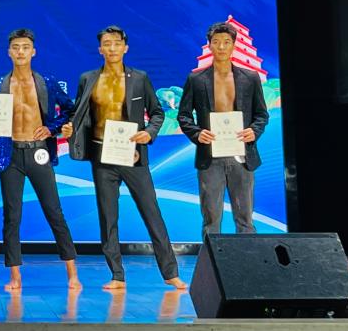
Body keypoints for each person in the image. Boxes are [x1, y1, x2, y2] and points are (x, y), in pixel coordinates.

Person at [63, 25, 186, 291]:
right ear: (100, 49)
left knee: (152, 213)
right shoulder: (88, 79)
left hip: (132, 155)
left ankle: (170, 273)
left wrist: (148, 133)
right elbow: (78, 114)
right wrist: (70, 128)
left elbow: (157, 113)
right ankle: (117, 275)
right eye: (107, 44)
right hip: (101, 155)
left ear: (125, 47)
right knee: (108, 218)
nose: (112, 48)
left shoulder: (139, 78)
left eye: (116, 43)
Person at [0, 29, 80, 291]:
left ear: (33, 52)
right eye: (16, 47)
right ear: (9, 52)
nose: (20, 51)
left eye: (25, 47)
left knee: (54, 212)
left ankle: (73, 273)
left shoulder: (46, 82)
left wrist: (52, 128)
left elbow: (71, 110)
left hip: (38, 152)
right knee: (11, 215)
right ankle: (15, 276)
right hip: (10, 154)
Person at [177, 21, 269, 238]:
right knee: (211, 220)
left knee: (245, 220)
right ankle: (212, 260)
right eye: (216, 42)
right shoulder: (196, 79)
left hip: (242, 154)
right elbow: (184, 115)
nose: (221, 46)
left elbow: (262, 114)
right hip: (210, 156)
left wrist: (254, 131)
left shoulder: (250, 78)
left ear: (234, 45)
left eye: (226, 42)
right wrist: (197, 133)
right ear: (209, 45)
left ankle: (247, 259)